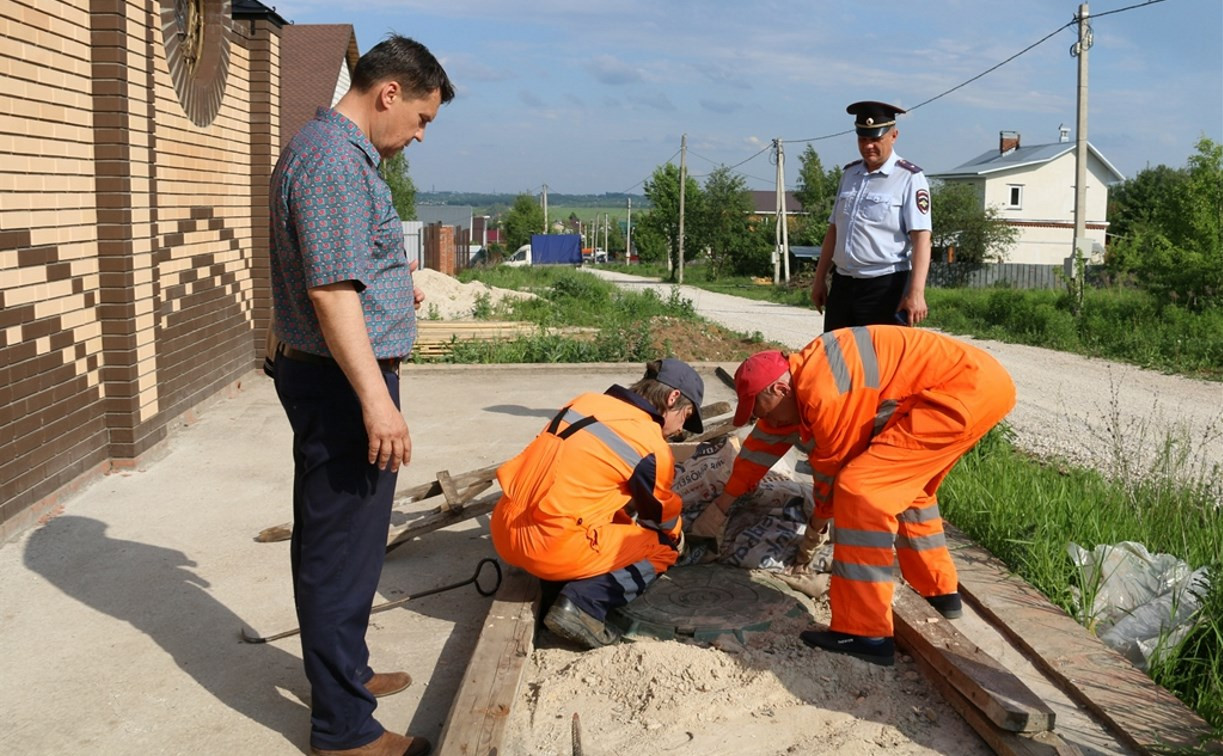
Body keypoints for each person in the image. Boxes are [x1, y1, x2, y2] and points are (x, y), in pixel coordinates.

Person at [268, 35, 454, 756]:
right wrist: (378, 402)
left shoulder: (327, 152)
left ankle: (344, 673)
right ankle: (344, 733)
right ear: (389, 94)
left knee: (343, 543)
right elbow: (329, 291)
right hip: (343, 383)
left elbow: (345, 271)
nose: (419, 133)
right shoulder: (334, 164)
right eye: (421, 118)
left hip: (334, 373)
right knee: (339, 551)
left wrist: (386, 284)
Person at [690, 327, 1014, 666]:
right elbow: (761, 446)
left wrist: (815, 531)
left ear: (780, 388)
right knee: (906, 488)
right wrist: (722, 505)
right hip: (977, 385)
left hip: (963, 391)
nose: (761, 419)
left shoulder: (824, 392)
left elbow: (832, 476)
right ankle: (939, 590)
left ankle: (864, 632)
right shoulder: (802, 381)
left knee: (860, 491)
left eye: (761, 410)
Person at [490, 359, 705, 649]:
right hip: (549, 549)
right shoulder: (650, 443)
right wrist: (680, 542)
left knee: (617, 522)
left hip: (505, 529)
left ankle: (558, 583)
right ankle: (583, 606)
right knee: (661, 548)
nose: (680, 430)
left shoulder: (585, 402)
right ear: (672, 397)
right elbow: (660, 516)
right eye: (685, 416)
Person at [810, 101, 933, 331]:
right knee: (837, 358)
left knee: (880, 362)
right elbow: (834, 230)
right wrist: (819, 280)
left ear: (893, 136)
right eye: (863, 139)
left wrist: (916, 293)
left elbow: (921, 239)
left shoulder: (909, 178)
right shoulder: (849, 174)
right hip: (843, 285)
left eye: (876, 139)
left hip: (885, 288)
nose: (868, 146)